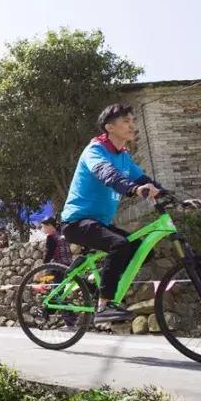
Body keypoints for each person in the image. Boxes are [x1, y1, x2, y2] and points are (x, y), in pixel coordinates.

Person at [60, 103, 163, 323]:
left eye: (133, 121)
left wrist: (177, 199)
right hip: (77, 221)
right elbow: (106, 173)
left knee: (144, 251)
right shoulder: (95, 150)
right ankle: (104, 305)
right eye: (126, 121)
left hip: (100, 223)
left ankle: (96, 281)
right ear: (109, 127)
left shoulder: (124, 157)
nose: (132, 126)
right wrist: (133, 189)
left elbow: (145, 181)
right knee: (120, 245)